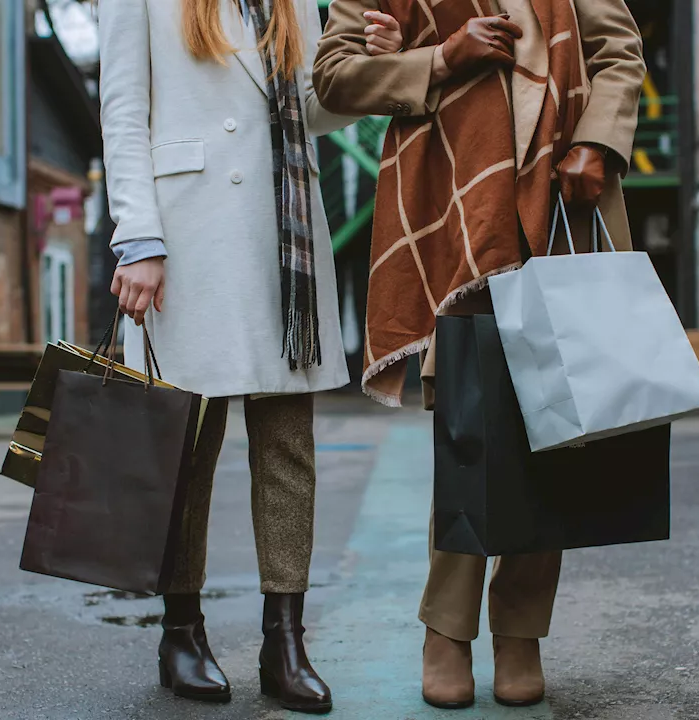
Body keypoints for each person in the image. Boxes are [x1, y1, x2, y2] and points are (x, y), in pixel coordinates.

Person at [313, 0, 645, 709]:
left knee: (559, 431)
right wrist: (438, 58)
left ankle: (520, 630)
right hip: (455, 221)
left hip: (560, 205)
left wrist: (599, 140)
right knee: (467, 429)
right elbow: (334, 79)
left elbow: (618, 52)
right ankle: (448, 630)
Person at [98, 0, 398, 712]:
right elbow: (122, 110)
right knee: (186, 450)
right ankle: (181, 632)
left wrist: (369, 64)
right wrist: (137, 237)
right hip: (187, 235)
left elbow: (315, 107)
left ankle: (284, 643)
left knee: (288, 446)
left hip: (280, 236)